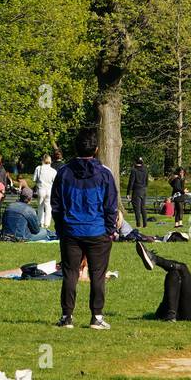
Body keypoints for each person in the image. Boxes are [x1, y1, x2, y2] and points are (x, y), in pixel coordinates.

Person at [52, 126, 117, 329]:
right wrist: (109, 229)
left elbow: (56, 205)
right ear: (96, 149)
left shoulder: (64, 173)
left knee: (70, 274)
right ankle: (96, 317)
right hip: (96, 231)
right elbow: (111, 205)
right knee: (97, 274)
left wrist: (61, 227)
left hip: (72, 230)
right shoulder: (104, 174)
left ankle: (67, 316)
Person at [32, 154, 57, 229]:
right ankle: (47, 224)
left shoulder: (38, 168)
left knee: (40, 207)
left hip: (41, 189)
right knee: (48, 207)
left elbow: (34, 179)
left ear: (42, 159)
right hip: (50, 190)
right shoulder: (53, 170)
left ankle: (40, 222)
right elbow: (55, 182)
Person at [127, 157, 149, 228]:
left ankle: (138, 223)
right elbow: (146, 181)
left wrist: (128, 192)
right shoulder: (145, 170)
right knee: (143, 207)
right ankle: (145, 223)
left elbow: (131, 182)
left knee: (137, 208)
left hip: (137, 190)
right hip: (144, 189)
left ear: (135, 162)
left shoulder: (134, 170)